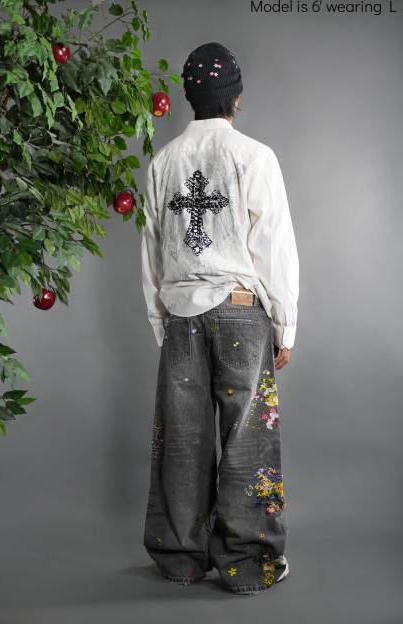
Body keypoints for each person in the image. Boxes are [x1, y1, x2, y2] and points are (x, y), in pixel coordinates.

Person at [140, 41, 299, 595]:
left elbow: (151, 254)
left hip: (180, 315)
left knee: (182, 438)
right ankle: (249, 562)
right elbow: (274, 247)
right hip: (240, 314)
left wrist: (162, 324)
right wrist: (285, 325)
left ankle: (180, 557)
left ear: (189, 97)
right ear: (235, 99)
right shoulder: (254, 156)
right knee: (247, 436)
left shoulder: (163, 162)